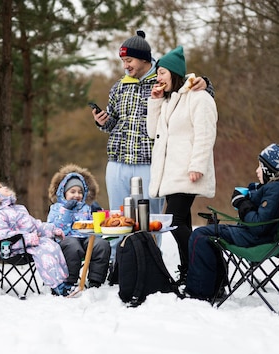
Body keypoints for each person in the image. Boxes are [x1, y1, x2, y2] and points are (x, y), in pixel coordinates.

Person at [91, 30, 214, 218]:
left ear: (143, 59)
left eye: (129, 60)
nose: (125, 65)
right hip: (118, 161)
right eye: (123, 61)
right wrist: (104, 122)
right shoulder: (119, 86)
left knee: (150, 220)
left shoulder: (163, 81)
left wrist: (206, 83)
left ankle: (152, 248)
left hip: (148, 162)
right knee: (118, 218)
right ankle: (119, 249)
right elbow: (114, 121)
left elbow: (188, 89)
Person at [185, 140, 279, 300]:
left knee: (200, 236)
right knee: (210, 236)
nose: (257, 171)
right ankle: (215, 286)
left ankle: (200, 292)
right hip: (269, 237)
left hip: (256, 239)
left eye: (260, 166)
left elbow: (258, 224)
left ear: (270, 169)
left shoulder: (274, 189)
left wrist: (241, 203)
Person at [147, 45, 218, 284]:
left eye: (162, 73)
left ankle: (202, 269)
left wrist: (198, 164)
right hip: (171, 174)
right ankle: (189, 272)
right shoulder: (169, 101)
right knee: (181, 222)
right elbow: (152, 132)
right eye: (158, 73)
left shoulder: (199, 98)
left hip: (188, 172)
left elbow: (205, 134)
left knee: (175, 222)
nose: (158, 77)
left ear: (175, 73)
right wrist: (155, 102)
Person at [0, 176, 73, 296]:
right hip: (13, 249)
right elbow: (0, 236)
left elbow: (36, 225)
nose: (5, 187)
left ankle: (64, 282)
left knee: (53, 246)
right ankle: (58, 287)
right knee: (45, 251)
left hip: (31, 244)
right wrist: (27, 239)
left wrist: (52, 230)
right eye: (0, 187)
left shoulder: (19, 209)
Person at [47, 164, 111, 288]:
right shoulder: (57, 208)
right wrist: (67, 211)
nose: (77, 195)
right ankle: (69, 281)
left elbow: (96, 228)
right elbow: (56, 229)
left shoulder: (86, 207)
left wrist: (98, 213)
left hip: (87, 238)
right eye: (72, 192)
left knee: (101, 245)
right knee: (73, 247)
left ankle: (95, 280)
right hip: (66, 239)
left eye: (80, 192)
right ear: (63, 193)